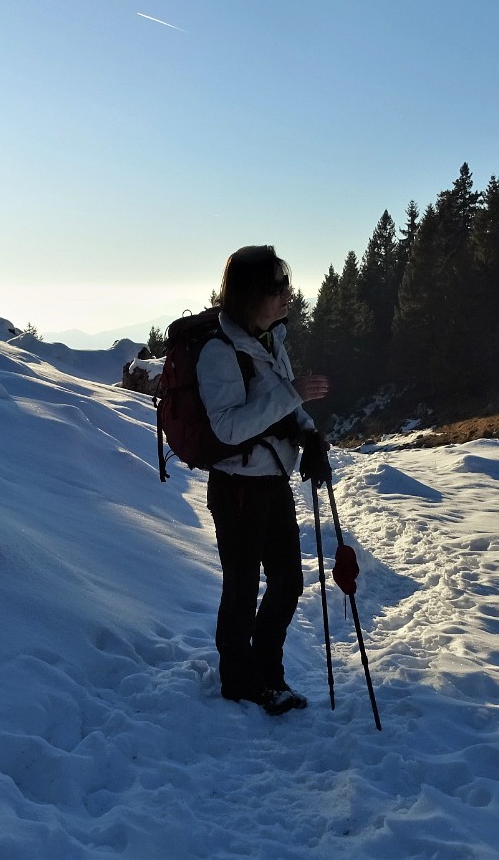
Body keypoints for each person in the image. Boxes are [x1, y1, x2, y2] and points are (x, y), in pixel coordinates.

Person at [197, 245, 332, 716]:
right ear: (251, 293)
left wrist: (311, 438)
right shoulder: (220, 350)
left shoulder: (271, 340)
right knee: (241, 586)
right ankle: (240, 680)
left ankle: (267, 673)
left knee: (288, 582)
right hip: (236, 487)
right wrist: (293, 398)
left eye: (287, 285)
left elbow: (285, 408)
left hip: (271, 480)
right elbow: (228, 427)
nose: (286, 295)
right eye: (277, 287)